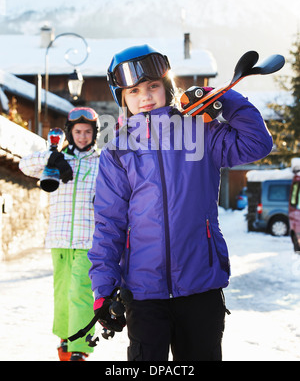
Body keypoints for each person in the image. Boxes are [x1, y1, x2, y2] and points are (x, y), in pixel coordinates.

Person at [88, 45, 273, 361]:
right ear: (123, 98)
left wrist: (223, 97)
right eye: (134, 91)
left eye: (153, 86)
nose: (145, 96)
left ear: (167, 86)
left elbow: (257, 143)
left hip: (200, 285)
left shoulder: (201, 130)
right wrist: (103, 290)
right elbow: (109, 222)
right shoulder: (117, 149)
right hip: (144, 292)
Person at [19, 107, 100, 361]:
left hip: (88, 239)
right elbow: (23, 165)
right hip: (59, 236)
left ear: (94, 134)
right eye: (78, 131)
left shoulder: (102, 160)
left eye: (88, 132)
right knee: (63, 291)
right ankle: (65, 343)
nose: (83, 136)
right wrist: (52, 156)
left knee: (80, 291)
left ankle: (80, 348)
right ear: (69, 132)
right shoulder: (59, 157)